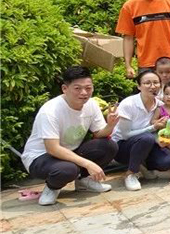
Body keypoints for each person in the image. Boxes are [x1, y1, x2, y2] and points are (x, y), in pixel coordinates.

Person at [20, 66, 118, 206]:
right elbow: (52, 149)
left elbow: (99, 134)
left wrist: (110, 125)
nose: (84, 93)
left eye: (88, 88)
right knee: (68, 169)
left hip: (69, 152)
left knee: (108, 146)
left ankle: (83, 181)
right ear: (64, 89)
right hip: (40, 157)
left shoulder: (91, 104)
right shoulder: (50, 111)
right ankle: (52, 188)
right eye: (77, 88)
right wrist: (88, 163)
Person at [112, 70, 170, 190]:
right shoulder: (128, 104)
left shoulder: (160, 105)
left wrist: (160, 138)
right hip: (122, 147)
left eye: (156, 83)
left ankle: (142, 165)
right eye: (147, 83)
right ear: (139, 86)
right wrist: (152, 128)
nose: (153, 86)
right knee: (146, 138)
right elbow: (125, 135)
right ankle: (131, 173)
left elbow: (159, 131)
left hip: (146, 143)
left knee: (169, 161)